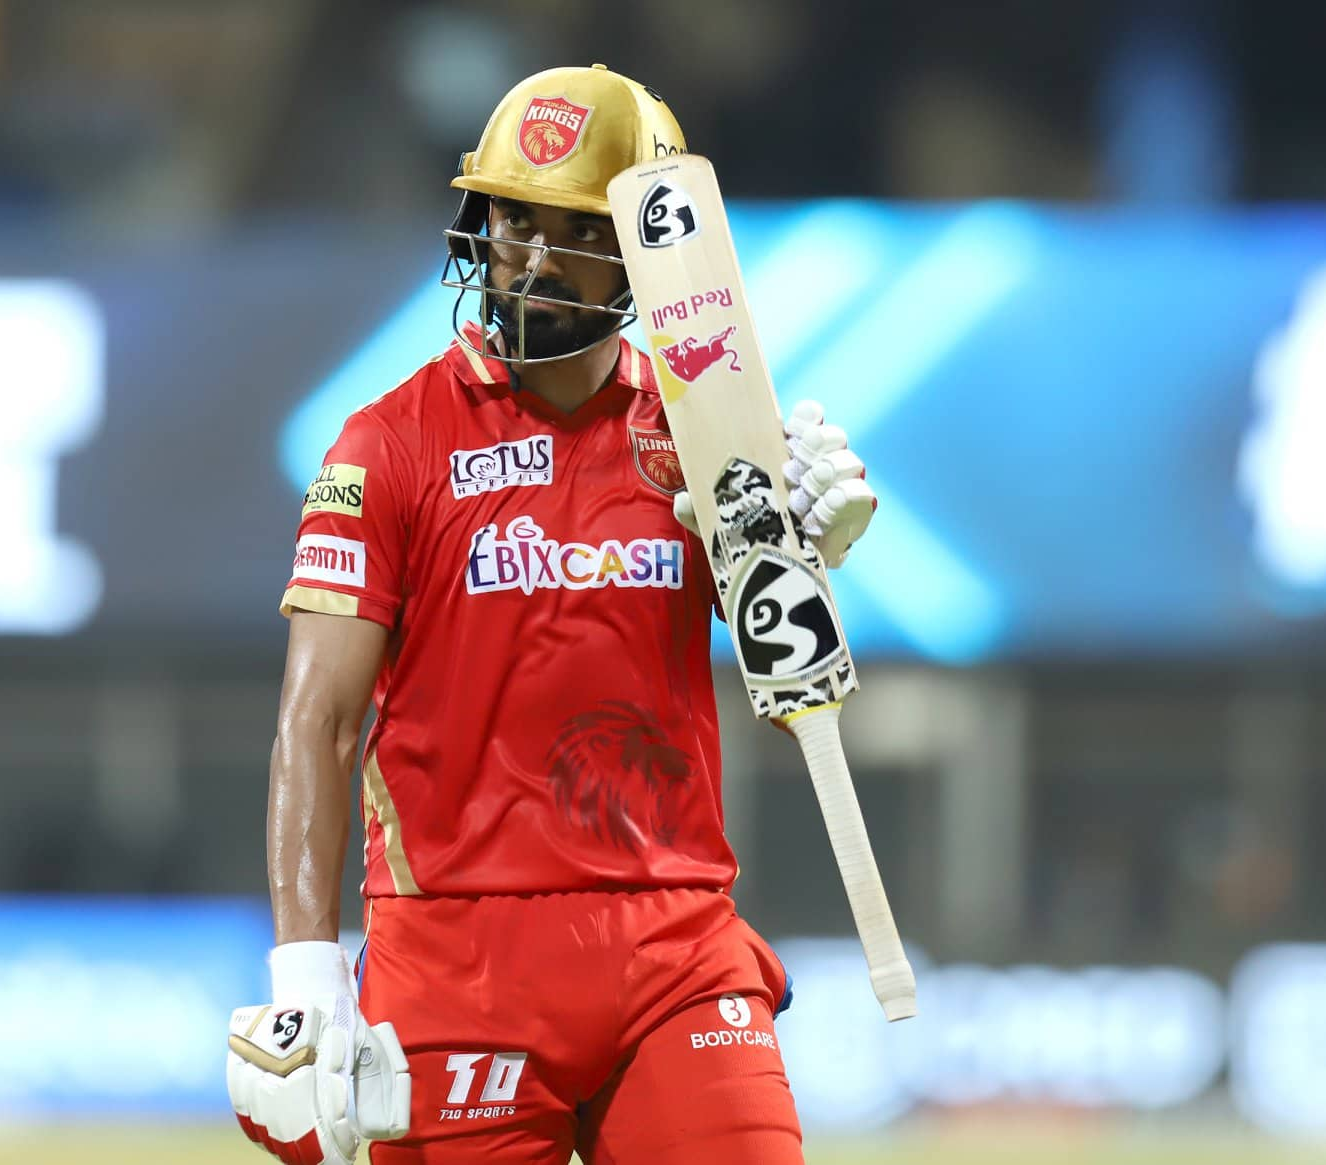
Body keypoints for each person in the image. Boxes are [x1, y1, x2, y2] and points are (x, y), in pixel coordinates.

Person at [226, 63, 876, 1165]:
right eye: (506, 219)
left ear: (639, 251)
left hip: (673, 942)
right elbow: (316, 719)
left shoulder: (705, 430)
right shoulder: (384, 445)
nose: (523, 254)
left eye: (564, 227)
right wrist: (304, 968)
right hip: (454, 963)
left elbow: (786, 673)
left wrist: (807, 541)